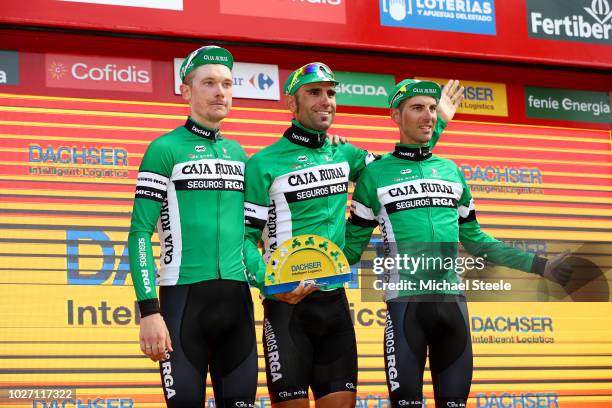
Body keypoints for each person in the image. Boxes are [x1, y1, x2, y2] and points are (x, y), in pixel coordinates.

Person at [243, 63, 463, 407]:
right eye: (314, 93)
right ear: (292, 104)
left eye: (331, 93)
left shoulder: (346, 154)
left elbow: (399, 167)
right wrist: (267, 284)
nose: (325, 100)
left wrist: (438, 123)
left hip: (334, 306)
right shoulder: (262, 163)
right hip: (287, 309)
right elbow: (244, 240)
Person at [343, 79, 572, 408]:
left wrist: (541, 265)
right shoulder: (375, 175)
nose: (429, 116)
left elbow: (478, 241)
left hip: (453, 307)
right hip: (405, 307)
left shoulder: (451, 172)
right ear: (395, 115)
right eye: (418, 108)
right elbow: (351, 248)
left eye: (433, 109)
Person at [127, 45, 257, 408]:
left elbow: (252, 232)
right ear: (186, 91)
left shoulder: (238, 153)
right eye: (210, 83)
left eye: (228, 84)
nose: (221, 92)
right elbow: (140, 232)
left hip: (237, 303)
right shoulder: (164, 149)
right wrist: (149, 311)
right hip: (183, 303)